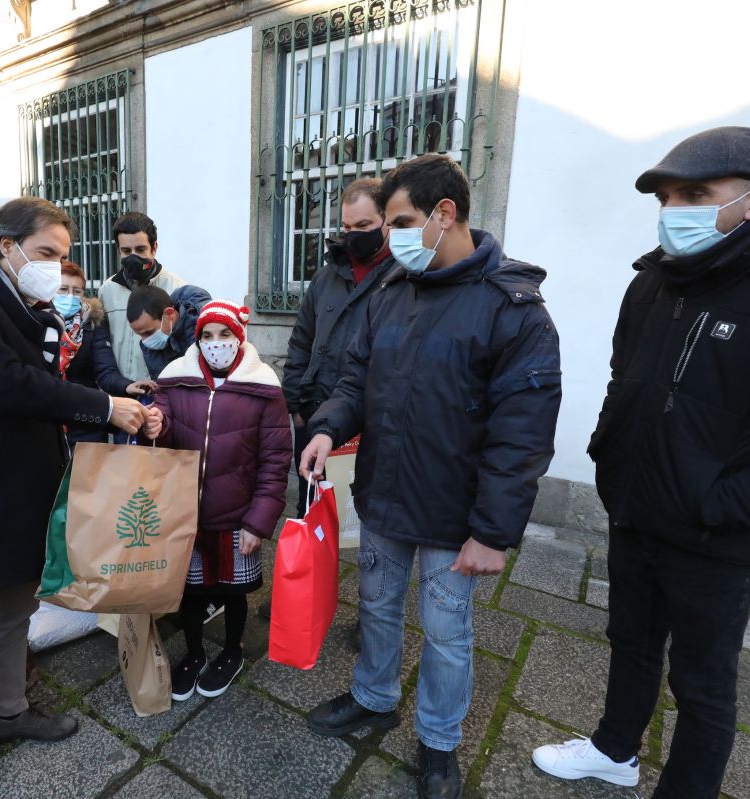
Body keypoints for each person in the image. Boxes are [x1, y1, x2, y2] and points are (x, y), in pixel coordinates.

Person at [532, 127, 750, 798]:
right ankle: (613, 750)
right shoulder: (656, 279)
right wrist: (609, 456)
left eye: (693, 195)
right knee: (629, 643)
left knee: (703, 685)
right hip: (637, 512)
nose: (673, 211)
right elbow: (622, 376)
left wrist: (722, 504)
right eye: (665, 197)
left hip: (719, 539)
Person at [299, 154, 562, 799]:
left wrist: (494, 534)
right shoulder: (392, 291)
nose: (391, 239)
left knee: (447, 634)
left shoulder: (514, 310)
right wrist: (328, 426)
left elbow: (521, 437)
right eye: (389, 226)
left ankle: (439, 742)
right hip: (385, 493)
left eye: (402, 221)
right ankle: (374, 695)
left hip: (455, 515)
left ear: (445, 214)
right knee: (379, 606)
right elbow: (357, 378)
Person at [0, 198, 148, 799]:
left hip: (25, 490)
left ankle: (9, 711)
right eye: (46, 253)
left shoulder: (32, 303)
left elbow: (51, 383)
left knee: (15, 616)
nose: (55, 267)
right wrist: (103, 406)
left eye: (64, 257)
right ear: (5, 245)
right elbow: (3, 382)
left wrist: (113, 395)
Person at [142, 300, 291, 701]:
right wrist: (155, 425)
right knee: (190, 591)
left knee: (233, 591)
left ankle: (231, 650)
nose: (215, 343)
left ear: (240, 337)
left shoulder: (264, 387)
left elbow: (275, 462)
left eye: (224, 335)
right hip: (186, 514)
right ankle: (192, 653)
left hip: (237, 517)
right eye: (207, 336)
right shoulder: (177, 379)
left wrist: (258, 522)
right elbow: (165, 433)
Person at [284, 177, 394, 516]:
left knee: (357, 523)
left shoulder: (403, 277)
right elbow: (302, 340)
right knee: (312, 514)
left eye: (364, 225)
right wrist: (296, 406)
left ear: (387, 222)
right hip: (314, 415)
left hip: (367, 426)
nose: (353, 235)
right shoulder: (326, 276)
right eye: (346, 226)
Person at [54, 261, 142, 446]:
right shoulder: (38, 320)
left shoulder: (92, 322)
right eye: (63, 289)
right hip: (46, 419)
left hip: (84, 420)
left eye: (76, 291)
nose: (70, 296)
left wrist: (126, 386)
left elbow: (105, 369)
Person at [98, 212, 184, 383]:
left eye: (140, 249)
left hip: (158, 393)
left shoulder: (177, 289)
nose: (133, 256)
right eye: (126, 251)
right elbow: (102, 347)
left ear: (154, 248)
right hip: (120, 392)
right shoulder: (107, 291)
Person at [126, 283, 211, 379]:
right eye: (139, 335)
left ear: (169, 314)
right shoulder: (151, 348)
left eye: (149, 332)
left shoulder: (202, 334)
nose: (145, 341)